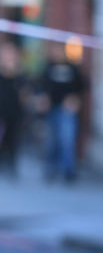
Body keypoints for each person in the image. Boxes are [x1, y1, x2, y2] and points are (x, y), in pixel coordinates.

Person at [39, 42, 84, 182]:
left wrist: (74, 99)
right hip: (52, 109)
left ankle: (68, 171)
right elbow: (41, 86)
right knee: (51, 140)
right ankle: (51, 169)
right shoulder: (48, 67)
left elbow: (81, 87)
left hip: (67, 111)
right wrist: (44, 99)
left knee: (67, 140)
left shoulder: (73, 68)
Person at [0, 40, 26, 177]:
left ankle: (11, 163)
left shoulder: (20, 75)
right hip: (0, 111)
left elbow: (23, 93)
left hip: (14, 112)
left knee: (13, 139)